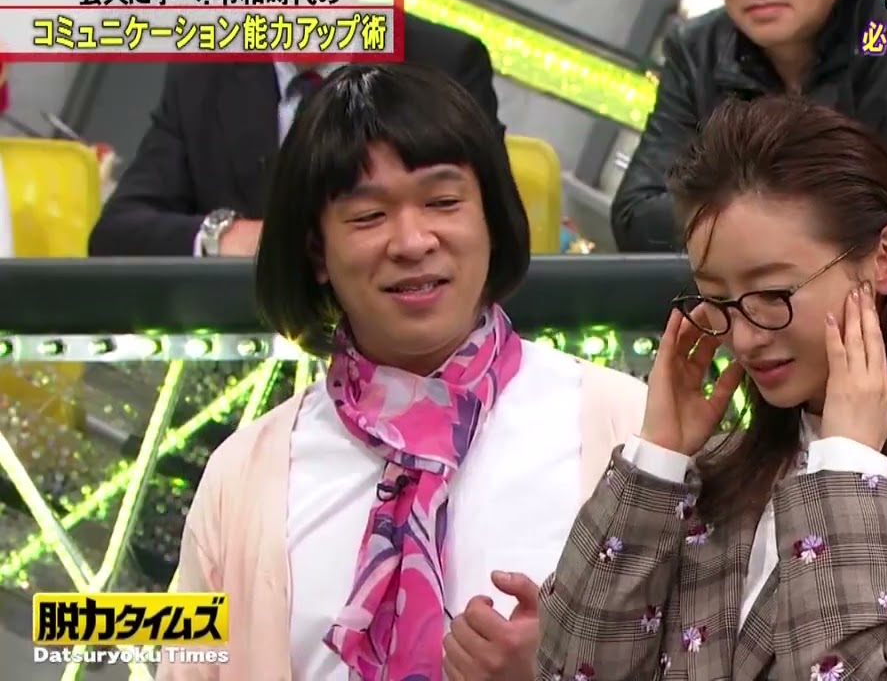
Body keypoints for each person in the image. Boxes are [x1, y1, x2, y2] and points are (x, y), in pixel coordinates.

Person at [538, 96, 887, 680]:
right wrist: (658, 457)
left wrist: (846, 471)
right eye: (718, 300)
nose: (743, 337)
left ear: (885, 258)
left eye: (773, 295)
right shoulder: (710, 476)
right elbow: (570, 672)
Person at [158, 65, 646, 681]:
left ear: (492, 220)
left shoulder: (625, 430)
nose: (412, 241)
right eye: (368, 216)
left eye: (443, 202)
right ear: (316, 252)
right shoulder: (244, 476)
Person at [88, 0, 503, 258]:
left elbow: (493, 219)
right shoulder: (205, 72)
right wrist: (228, 236)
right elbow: (118, 232)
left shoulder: (441, 63)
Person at [611, 0, 887, 253]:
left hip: (879, 314)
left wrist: (739, 220)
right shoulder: (696, 50)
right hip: (731, 311)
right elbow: (636, 215)